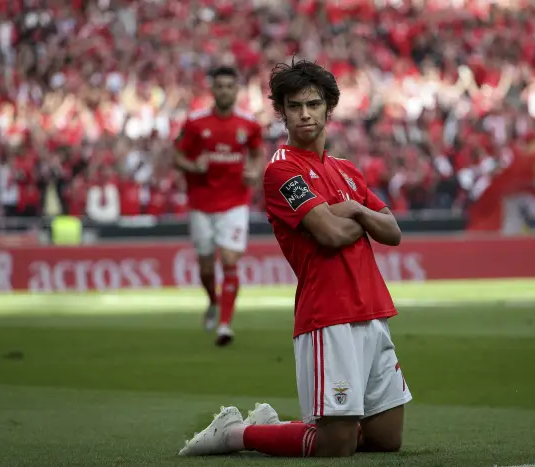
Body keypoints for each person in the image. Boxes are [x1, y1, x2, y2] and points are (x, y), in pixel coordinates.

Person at [178, 59, 411, 458]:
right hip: (327, 317)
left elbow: (393, 232)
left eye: (313, 104)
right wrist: (359, 212)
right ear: (282, 113)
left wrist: (351, 210)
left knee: (387, 440)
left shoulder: (347, 170)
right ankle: (237, 433)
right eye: (295, 106)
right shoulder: (281, 171)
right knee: (335, 445)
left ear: (328, 109)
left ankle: (287, 427)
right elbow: (331, 233)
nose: (305, 114)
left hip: (374, 310)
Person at [174, 66, 265, 345]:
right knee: (205, 266)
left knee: (228, 260)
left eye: (229, 86)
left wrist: (254, 171)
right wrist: (193, 165)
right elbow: (177, 156)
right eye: (220, 86)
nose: (224, 90)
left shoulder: (248, 124)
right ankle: (212, 301)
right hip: (201, 203)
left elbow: (258, 153)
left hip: (235, 202)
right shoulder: (195, 123)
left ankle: (225, 325)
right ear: (212, 89)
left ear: (236, 90)